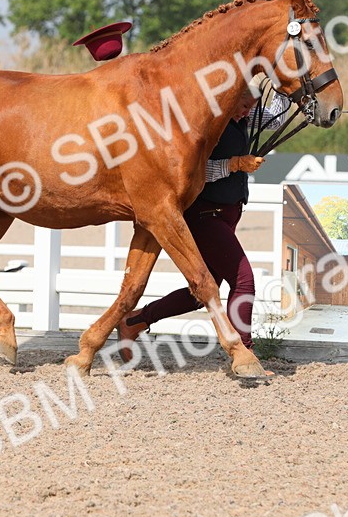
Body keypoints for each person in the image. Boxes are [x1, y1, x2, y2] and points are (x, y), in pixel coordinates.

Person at [117, 78, 290, 362]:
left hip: (229, 211)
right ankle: (245, 353)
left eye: (252, 107)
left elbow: (274, 119)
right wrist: (235, 164)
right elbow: (194, 172)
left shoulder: (243, 113)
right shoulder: (208, 122)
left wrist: (283, 85)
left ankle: (135, 321)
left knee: (200, 291)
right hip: (204, 212)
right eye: (244, 105)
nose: (247, 113)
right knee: (243, 280)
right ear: (230, 97)